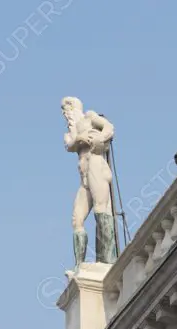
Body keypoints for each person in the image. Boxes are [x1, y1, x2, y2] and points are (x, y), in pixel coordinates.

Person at [62, 96, 117, 266]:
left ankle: (108, 260)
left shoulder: (90, 117)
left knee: (101, 210)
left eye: (67, 109)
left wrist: (99, 138)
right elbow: (70, 145)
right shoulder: (71, 132)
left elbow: (109, 127)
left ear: (75, 108)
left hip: (96, 165)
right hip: (84, 175)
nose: (65, 114)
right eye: (64, 111)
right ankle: (80, 265)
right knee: (77, 219)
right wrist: (79, 138)